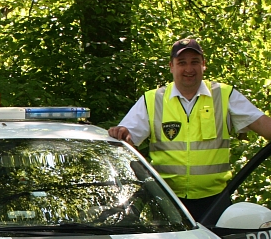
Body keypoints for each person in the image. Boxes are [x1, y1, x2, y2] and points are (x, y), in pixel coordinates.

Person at [109, 37, 271, 218]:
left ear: (203, 65)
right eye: (182, 63)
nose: (188, 69)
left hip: (215, 201)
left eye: (194, 62)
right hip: (168, 201)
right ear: (171, 66)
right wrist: (123, 135)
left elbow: (264, 125)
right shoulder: (153, 100)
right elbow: (126, 139)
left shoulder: (224, 95)